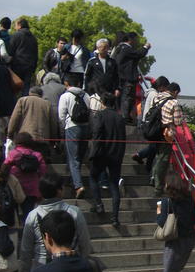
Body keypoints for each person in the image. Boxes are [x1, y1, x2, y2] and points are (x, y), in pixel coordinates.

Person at [20, 173, 93, 272]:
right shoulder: (74, 212)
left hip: (42, 270)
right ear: (59, 190)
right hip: (71, 269)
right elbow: (84, 242)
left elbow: (26, 250)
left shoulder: (33, 216)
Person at [89, 92, 125, 227]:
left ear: (102, 102)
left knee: (93, 177)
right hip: (116, 154)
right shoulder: (120, 118)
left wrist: (93, 152)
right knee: (114, 184)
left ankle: (98, 204)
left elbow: (97, 134)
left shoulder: (100, 115)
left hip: (102, 153)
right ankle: (115, 217)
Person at [58, 73, 91, 198]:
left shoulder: (65, 96)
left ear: (66, 83)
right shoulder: (86, 95)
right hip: (85, 128)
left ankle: (78, 185)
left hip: (72, 127)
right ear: (78, 83)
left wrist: (63, 129)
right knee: (80, 157)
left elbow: (61, 116)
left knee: (73, 158)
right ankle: (75, 180)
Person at [1, 132, 46, 222]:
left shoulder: (14, 153)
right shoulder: (37, 155)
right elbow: (43, 172)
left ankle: (15, 230)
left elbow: (4, 167)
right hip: (32, 189)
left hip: (15, 188)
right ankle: (28, 231)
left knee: (13, 211)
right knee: (28, 213)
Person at [8, 86, 58, 161]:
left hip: (25, 138)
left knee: (24, 163)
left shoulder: (22, 100)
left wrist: (10, 134)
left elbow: (14, 119)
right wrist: (53, 140)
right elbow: (53, 123)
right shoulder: (47, 104)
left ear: (30, 93)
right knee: (39, 163)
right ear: (41, 94)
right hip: (42, 140)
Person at [133, 76, 169, 171]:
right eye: (165, 88)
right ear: (161, 86)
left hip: (146, 122)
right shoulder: (154, 94)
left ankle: (147, 167)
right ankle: (140, 155)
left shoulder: (150, 93)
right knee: (155, 145)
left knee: (154, 145)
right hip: (151, 124)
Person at [152, 83, 182, 197]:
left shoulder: (157, 98)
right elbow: (178, 122)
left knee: (157, 156)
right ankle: (158, 187)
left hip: (155, 131)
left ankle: (153, 178)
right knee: (163, 160)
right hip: (166, 134)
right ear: (175, 92)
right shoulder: (174, 102)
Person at [114, 32, 151, 122]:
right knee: (127, 98)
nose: (136, 42)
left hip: (121, 79)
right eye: (135, 40)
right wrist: (145, 47)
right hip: (127, 79)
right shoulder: (126, 49)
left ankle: (126, 116)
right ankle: (125, 116)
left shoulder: (119, 48)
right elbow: (139, 54)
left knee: (127, 98)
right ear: (131, 39)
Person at [7, 18, 38, 97]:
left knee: (14, 89)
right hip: (29, 67)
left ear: (20, 25)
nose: (14, 27)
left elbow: (10, 51)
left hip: (17, 66)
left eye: (15, 25)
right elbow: (36, 54)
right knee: (26, 90)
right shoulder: (33, 38)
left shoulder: (16, 35)